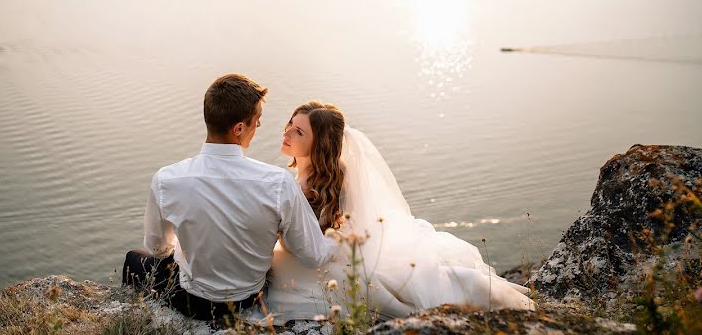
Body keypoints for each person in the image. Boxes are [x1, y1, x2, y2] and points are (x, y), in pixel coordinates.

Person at [265, 101, 536, 323]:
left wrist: (289, 235)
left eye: (299, 131)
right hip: (307, 254)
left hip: (330, 259)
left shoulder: (339, 182)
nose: (287, 132)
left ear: (320, 144)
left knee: (414, 291)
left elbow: (345, 236)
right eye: (290, 124)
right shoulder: (296, 179)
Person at [123, 76, 338, 325]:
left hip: (190, 300)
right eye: (256, 121)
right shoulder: (278, 183)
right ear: (239, 128)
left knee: (133, 258)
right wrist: (337, 242)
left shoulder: (167, 179)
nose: (258, 126)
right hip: (245, 301)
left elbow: (157, 248)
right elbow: (313, 256)